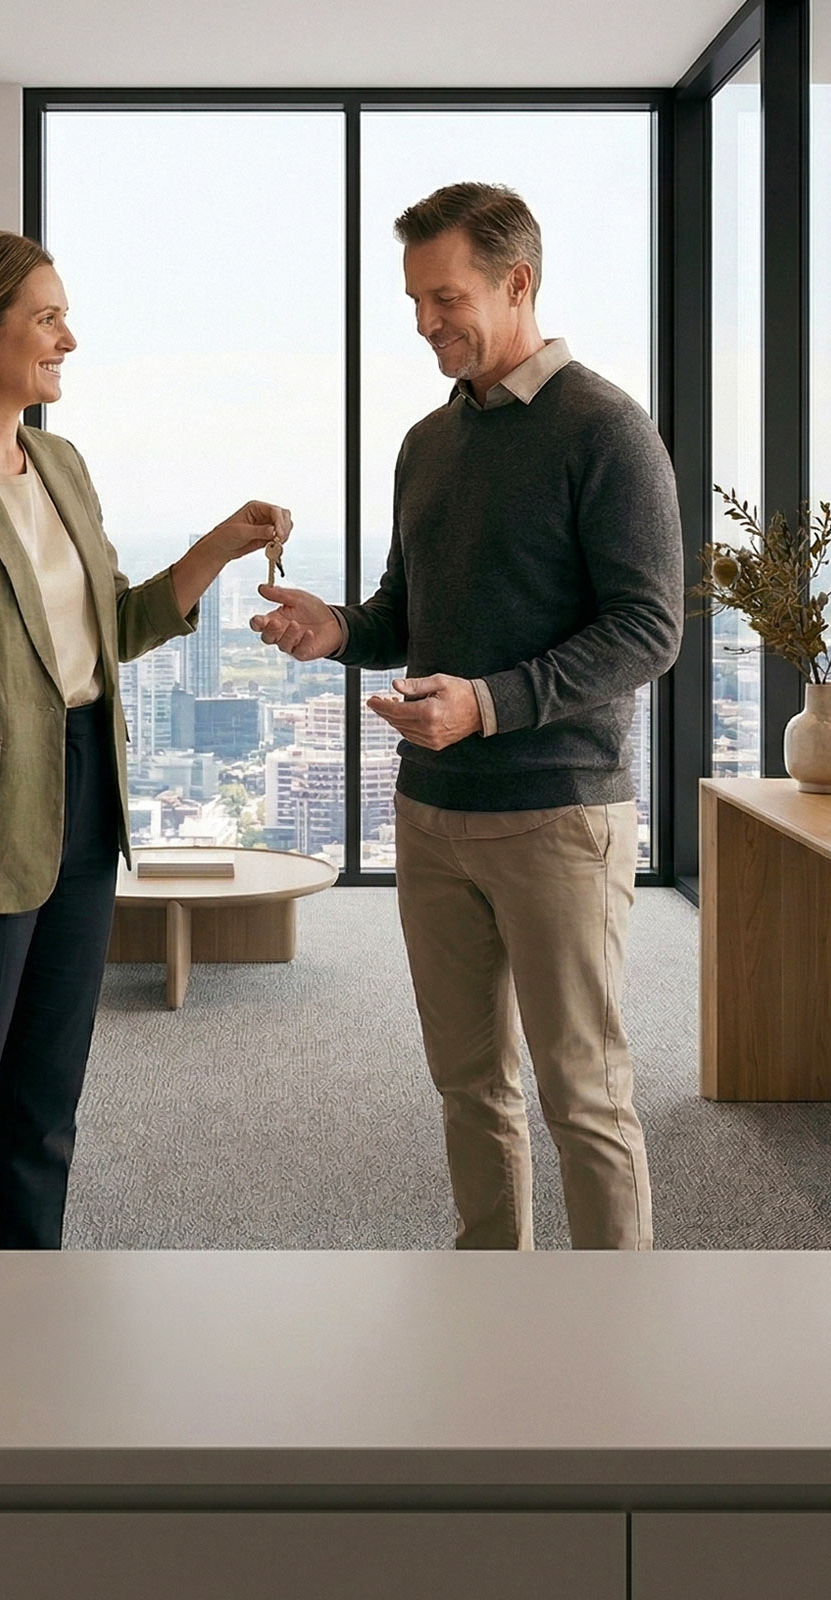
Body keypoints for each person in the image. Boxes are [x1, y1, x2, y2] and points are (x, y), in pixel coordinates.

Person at [251, 183, 681, 1251]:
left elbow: (648, 629)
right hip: (434, 815)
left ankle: (622, 1332)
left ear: (516, 281)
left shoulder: (606, 430)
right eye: (414, 300)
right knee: (467, 1083)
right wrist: (336, 630)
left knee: (583, 1094)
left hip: (557, 818)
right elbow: (408, 612)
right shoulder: (425, 443)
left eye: (445, 298)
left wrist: (487, 705)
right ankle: (495, 1306)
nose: (424, 322)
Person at [0, 229, 289, 1263]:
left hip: (85, 796)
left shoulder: (60, 464)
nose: (68, 340)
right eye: (46, 319)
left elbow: (112, 628)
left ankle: (21, 1315)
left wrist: (218, 546)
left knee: (45, 1099)